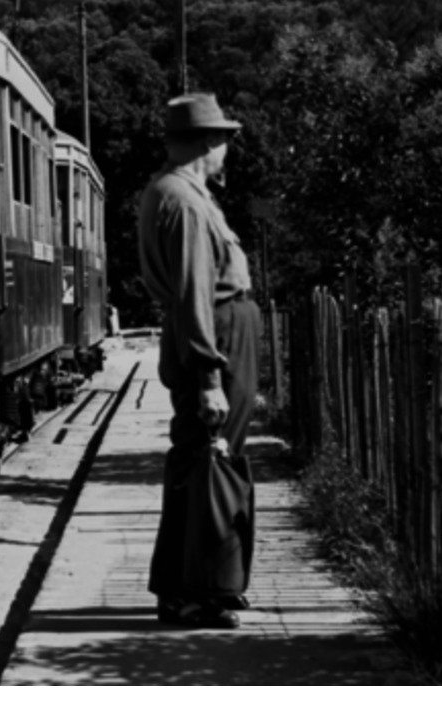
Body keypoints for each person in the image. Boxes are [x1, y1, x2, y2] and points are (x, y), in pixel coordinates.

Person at [137, 92, 261, 629]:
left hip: (218, 334)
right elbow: (194, 293)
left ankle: (193, 587)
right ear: (208, 142)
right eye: (224, 141)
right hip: (217, 337)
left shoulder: (181, 193)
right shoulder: (185, 202)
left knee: (202, 459)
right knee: (211, 458)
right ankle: (196, 591)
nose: (227, 152)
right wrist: (211, 375)